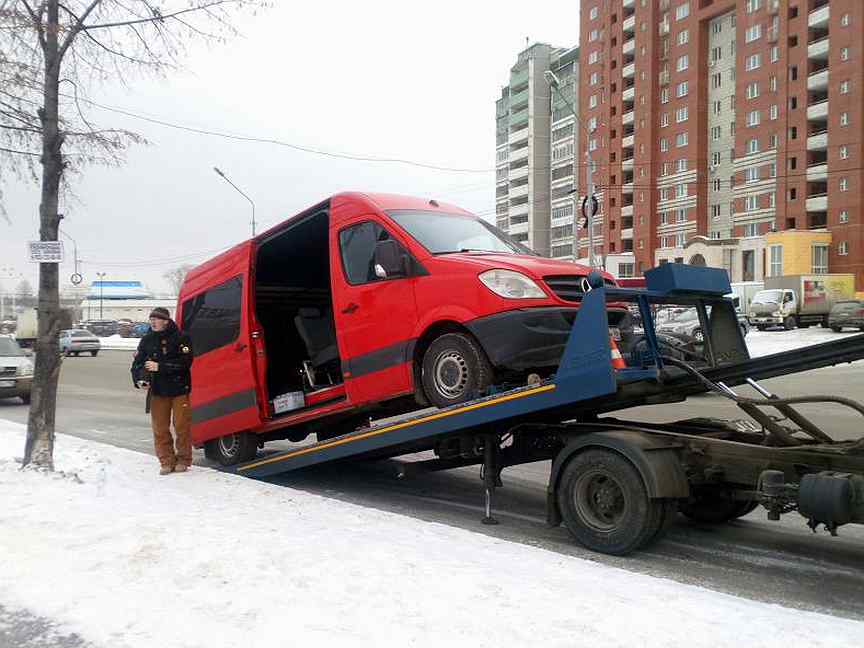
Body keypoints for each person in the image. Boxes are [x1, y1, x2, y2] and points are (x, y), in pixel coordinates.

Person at [131, 307, 194, 475]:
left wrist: (161, 366)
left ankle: (183, 459)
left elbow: (186, 362)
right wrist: (140, 380)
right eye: (151, 319)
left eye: (156, 319)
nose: (153, 322)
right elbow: (137, 364)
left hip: (179, 388)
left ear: (166, 321)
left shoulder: (182, 338)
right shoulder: (146, 340)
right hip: (158, 391)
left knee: (182, 426)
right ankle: (166, 460)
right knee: (160, 428)